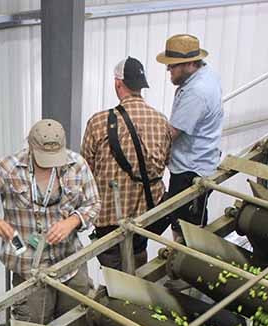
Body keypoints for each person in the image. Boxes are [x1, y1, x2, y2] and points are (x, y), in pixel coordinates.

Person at [0, 119, 100, 324]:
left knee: (76, 323)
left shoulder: (77, 165)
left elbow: (93, 204)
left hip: (69, 263)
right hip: (28, 267)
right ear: (31, 147)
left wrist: (72, 221)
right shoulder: (9, 167)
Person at [82, 57, 172, 270]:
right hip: (149, 213)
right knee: (138, 257)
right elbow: (166, 161)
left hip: (109, 216)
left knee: (115, 274)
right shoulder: (161, 120)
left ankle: (118, 296)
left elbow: (86, 171)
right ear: (142, 86)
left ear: (118, 83)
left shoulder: (98, 122)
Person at [155, 33, 223, 240]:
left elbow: (171, 134)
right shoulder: (207, 73)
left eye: (173, 65)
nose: (168, 69)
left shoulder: (197, 92)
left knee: (184, 228)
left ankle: (186, 262)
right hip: (200, 161)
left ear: (191, 63)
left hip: (190, 171)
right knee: (189, 219)